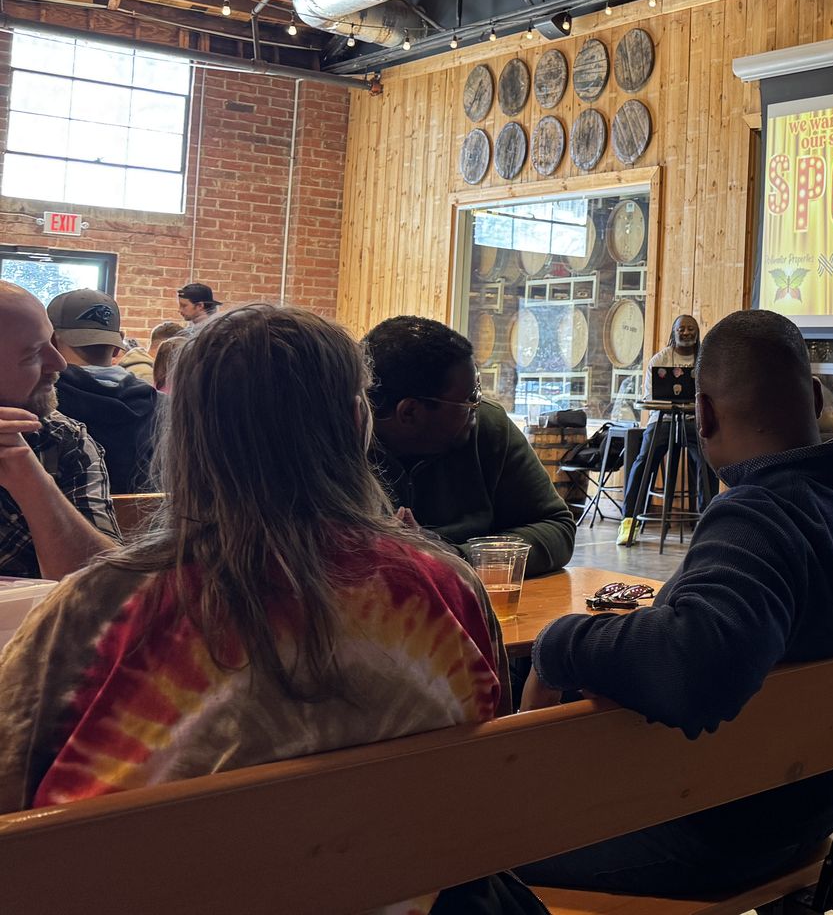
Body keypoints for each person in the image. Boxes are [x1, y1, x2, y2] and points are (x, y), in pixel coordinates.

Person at [0, 304, 541, 913]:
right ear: (358, 421)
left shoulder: (97, 608)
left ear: (185, 434)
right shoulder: (448, 587)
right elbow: (481, 765)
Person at [517, 309, 833, 897]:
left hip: (712, 836)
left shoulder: (760, 515)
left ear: (702, 413)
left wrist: (559, 644)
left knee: (458, 844)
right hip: (819, 816)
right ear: (814, 398)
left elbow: (695, 666)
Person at [365, 316, 575, 575]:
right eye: (469, 398)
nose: (478, 405)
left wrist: (455, 557)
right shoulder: (331, 444)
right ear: (409, 412)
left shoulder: (489, 428)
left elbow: (556, 527)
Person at [0, 283, 120, 581]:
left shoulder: (61, 440)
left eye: (52, 342)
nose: (60, 363)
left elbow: (107, 591)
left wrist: (29, 478)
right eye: (31, 355)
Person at [46, 289, 159, 494]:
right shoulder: (162, 406)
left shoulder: (40, 403)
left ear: (50, 341)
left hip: (59, 522)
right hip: (145, 524)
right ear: (118, 346)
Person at [616, 314, 711, 545]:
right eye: (681, 329)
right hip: (663, 421)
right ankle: (629, 522)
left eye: (691, 329)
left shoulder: (706, 360)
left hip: (693, 421)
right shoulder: (659, 360)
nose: (686, 332)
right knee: (642, 462)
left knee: (708, 464)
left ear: (697, 333)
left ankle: (707, 526)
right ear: (673, 332)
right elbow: (650, 397)